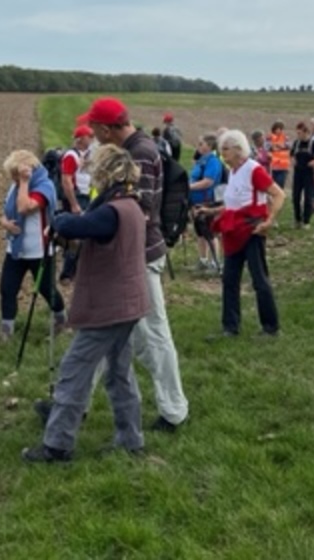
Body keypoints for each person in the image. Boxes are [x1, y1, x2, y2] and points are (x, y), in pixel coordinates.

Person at [24, 145, 150, 462]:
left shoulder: (111, 211)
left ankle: (57, 445)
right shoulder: (131, 205)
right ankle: (130, 440)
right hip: (129, 304)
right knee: (120, 374)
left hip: (108, 306)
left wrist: (59, 220)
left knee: (74, 371)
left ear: (106, 173)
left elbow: (75, 225)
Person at [80, 98, 189, 432]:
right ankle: (73, 404)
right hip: (132, 255)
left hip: (138, 257)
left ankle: (173, 411)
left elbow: (135, 211)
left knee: (153, 336)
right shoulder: (138, 146)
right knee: (100, 331)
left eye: (94, 127)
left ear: (105, 128)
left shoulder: (138, 152)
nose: (92, 133)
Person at [210, 130, 285, 338]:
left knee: (259, 280)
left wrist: (269, 221)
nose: (222, 154)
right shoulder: (233, 172)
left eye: (226, 149)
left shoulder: (254, 169)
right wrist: (212, 212)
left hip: (252, 231)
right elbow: (234, 203)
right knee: (229, 280)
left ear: (237, 149)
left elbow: (278, 194)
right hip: (233, 232)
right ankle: (230, 326)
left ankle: (271, 327)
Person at [0, 149, 66, 343]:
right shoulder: (15, 187)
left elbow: (24, 207)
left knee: (47, 289)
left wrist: (24, 182)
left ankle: (61, 320)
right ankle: (6, 332)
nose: (13, 179)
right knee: (7, 289)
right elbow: (6, 212)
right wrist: (5, 224)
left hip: (40, 250)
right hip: (15, 249)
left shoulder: (45, 186)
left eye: (15, 174)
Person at [58, 125, 96, 281]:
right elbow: (66, 181)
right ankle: (67, 273)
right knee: (77, 236)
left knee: (82, 234)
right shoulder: (71, 156)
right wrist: (74, 204)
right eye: (89, 136)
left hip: (85, 196)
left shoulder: (86, 155)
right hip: (77, 198)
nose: (92, 139)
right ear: (81, 139)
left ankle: (74, 270)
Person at [188, 134, 224, 272]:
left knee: (210, 232)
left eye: (201, 143)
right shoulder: (201, 160)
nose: (199, 146)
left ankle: (215, 262)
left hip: (208, 201)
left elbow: (208, 181)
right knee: (200, 232)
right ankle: (203, 260)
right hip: (197, 200)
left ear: (209, 146)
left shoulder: (213, 162)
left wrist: (190, 187)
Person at [289, 121, 314, 226]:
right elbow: (291, 154)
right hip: (298, 173)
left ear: (306, 132)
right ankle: (297, 219)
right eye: (297, 133)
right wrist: (292, 160)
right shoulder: (296, 143)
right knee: (296, 196)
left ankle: (306, 220)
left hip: (309, 174)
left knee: (308, 198)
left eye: (300, 133)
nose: (298, 135)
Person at [266, 121, 290, 189]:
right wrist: (275, 146)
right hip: (274, 166)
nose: (280, 131)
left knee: (280, 184)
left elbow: (288, 146)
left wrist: (280, 146)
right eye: (278, 129)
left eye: (281, 129)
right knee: (274, 185)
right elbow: (267, 147)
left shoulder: (285, 138)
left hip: (283, 166)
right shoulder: (270, 138)